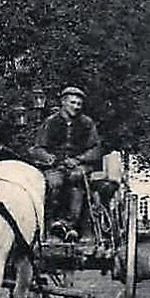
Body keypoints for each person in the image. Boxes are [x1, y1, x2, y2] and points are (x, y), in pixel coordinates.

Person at [28, 86, 103, 240]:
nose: (76, 107)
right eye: (72, 103)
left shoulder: (87, 123)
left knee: (76, 179)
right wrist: (49, 158)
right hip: (55, 165)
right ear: (63, 102)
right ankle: (53, 223)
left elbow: (95, 149)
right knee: (54, 182)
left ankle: (71, 225)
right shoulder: (50, 122)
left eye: (79, 104)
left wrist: (78, 160)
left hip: (78, 165)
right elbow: (37, 148)